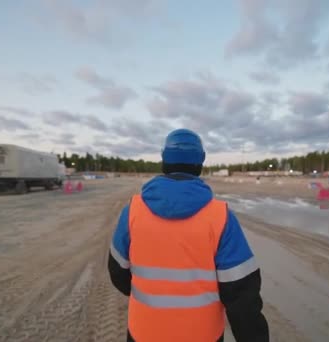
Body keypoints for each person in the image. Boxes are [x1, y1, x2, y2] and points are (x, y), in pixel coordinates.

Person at [108, 129, 269, 342]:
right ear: (200, 163)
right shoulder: (220, 217)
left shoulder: (133, 211)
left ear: (164, 160)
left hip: (144, 333)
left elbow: (118, 273)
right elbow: (242, 296)